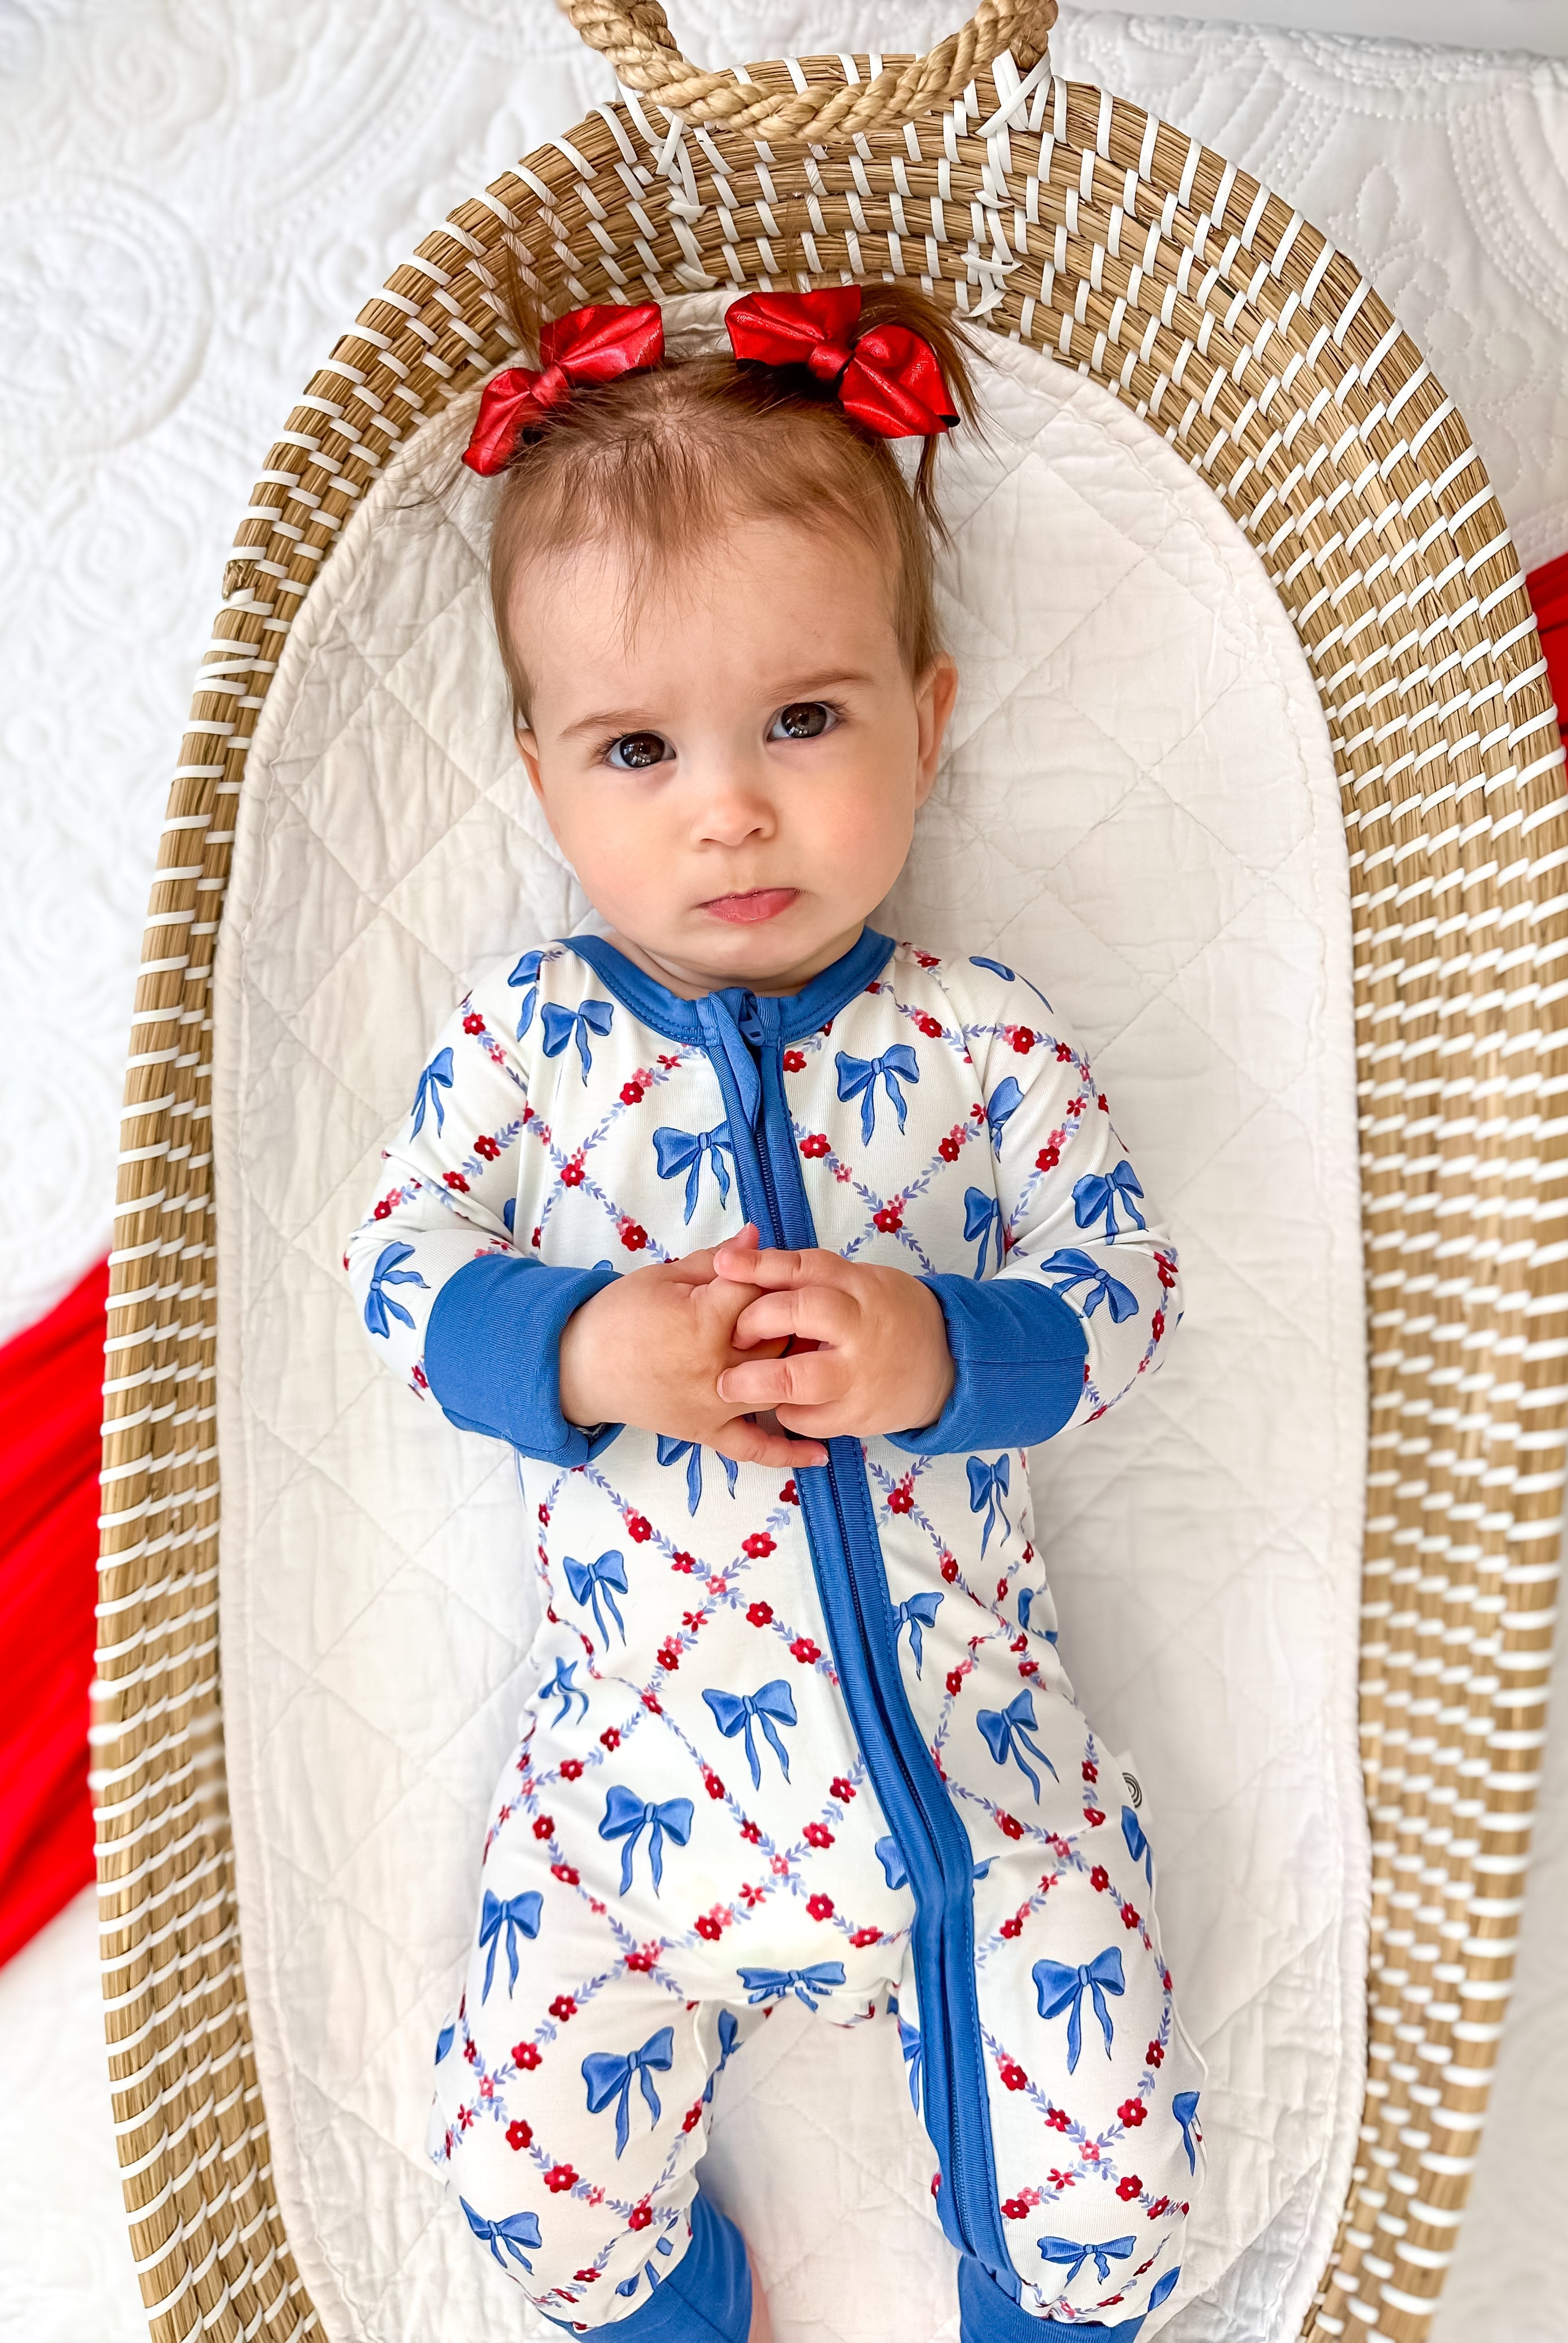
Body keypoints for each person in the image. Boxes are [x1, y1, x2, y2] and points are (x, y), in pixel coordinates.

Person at [346, 280, 1204, 2342]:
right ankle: (666, 2299)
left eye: (803, 722)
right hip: (629, 1804)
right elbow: (398, 1267)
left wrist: (940, 1350)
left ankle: (1035, 2298)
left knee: (1112, 2202)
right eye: (639, 748)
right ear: (544, 779)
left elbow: (1123, 1286)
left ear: (932, 712)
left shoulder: (979, 1036)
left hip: (976, 1788)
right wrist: (582, 1345)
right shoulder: (529, 1041)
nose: (727, 807)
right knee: (516, 2165)